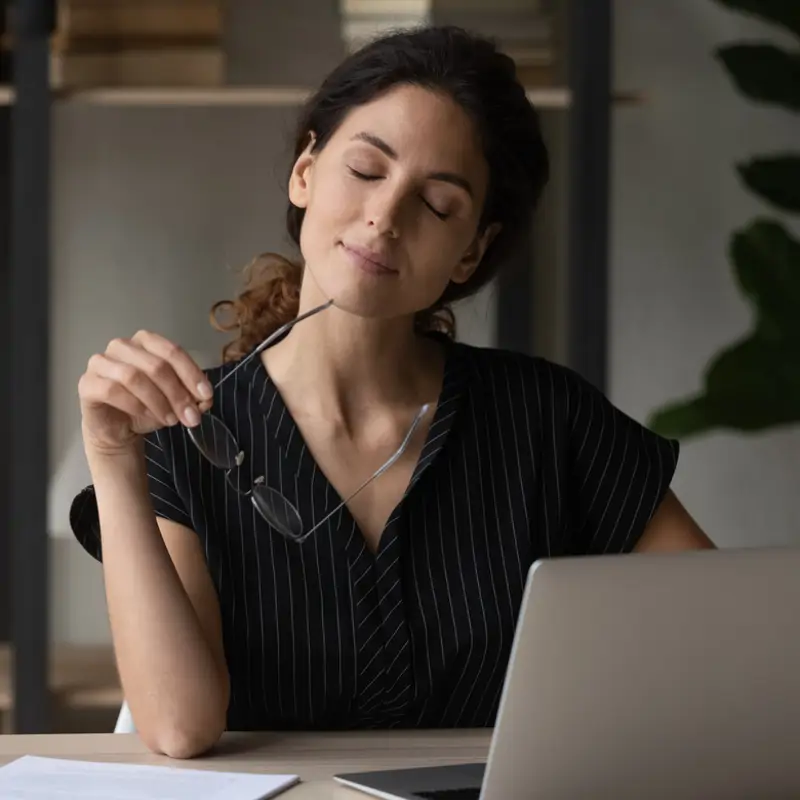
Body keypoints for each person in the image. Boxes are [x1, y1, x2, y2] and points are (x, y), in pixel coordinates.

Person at [69, 25, 714, 759]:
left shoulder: (545, 417)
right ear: (305, 171)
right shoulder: (184, 429)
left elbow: (721, 632)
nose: (386, 216)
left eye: (437, 205)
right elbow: (182, 727)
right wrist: (112, 455)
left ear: (471, 249)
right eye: (367, 170)